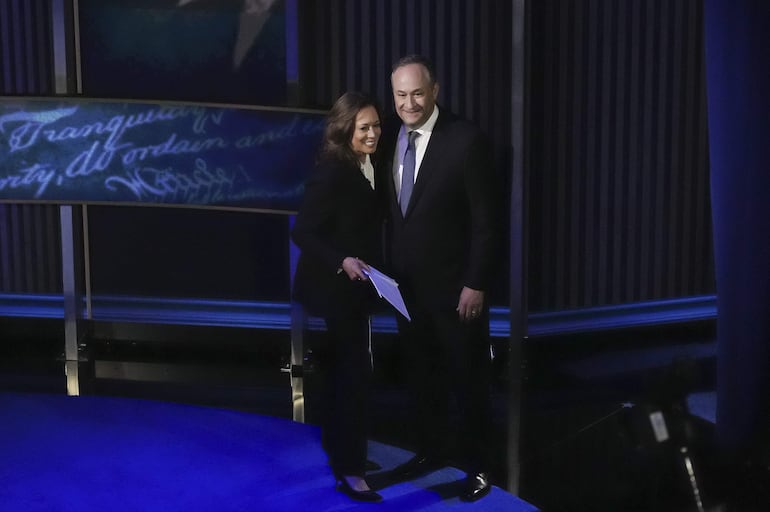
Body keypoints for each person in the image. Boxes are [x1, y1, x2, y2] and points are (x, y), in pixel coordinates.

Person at [375, 54, 501, 502]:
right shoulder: (387, 134)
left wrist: (477, 282)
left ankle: (480, 467)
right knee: (422, 378)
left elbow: (487, 221)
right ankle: (430, 451)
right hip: (404, 289)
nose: (409, 103)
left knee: (467, 381)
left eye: (417, 93)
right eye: (401, 95)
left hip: (456, 291)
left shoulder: (466, 140)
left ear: (436, 90)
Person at [291, 91, 384, 503]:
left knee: (346, 376)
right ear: (345, 130)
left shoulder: (369, 165)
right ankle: (351, 469)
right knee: (354, 377)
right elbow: (303, 232)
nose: (372, 134)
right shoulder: (332, 170)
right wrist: (341, 259)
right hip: (335, 289)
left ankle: (344, 453)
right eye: (363, 127)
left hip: (356, 287)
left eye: (376, 126)